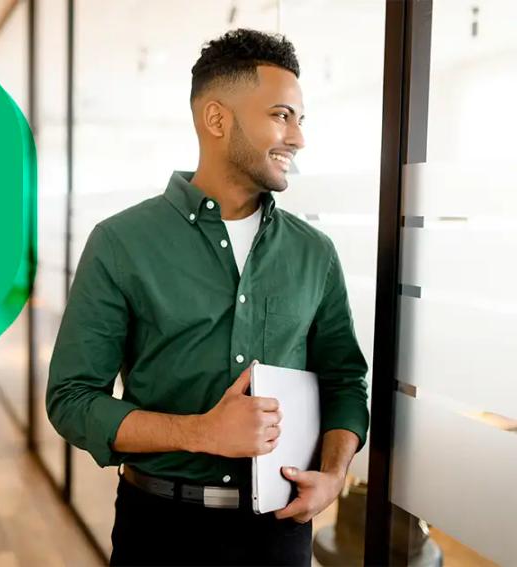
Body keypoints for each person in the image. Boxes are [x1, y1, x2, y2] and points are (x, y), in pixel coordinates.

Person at [46, 29, 369, 566]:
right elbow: (73, 399)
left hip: (280, 531)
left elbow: (343, 380)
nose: (297, 138)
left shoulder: (316, 252)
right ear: (217, 120)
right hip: (161, 532)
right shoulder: (121, 242)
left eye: (300, 120)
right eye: (281, 115)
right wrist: (201, 433)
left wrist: (333, 475)